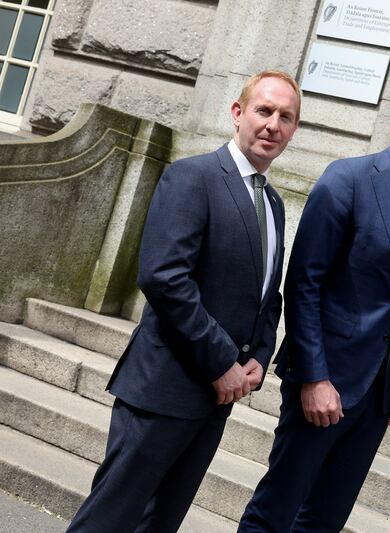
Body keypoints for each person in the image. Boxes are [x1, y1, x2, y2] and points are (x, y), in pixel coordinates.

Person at [66, 70, 300, 533]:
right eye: (264, 111)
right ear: (238, 113)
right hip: (164, 388)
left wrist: (258, 354)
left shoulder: (272, 203)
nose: (273, 125)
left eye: (286, 117)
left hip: (216, 399)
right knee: (108, 521)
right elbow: (164, 279)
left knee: (160, 524)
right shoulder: (193, 177)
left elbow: (267, 292)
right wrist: (222, 362)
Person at [239, 80, 390, 532]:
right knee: (276, 512)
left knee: (325, 520)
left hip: (379, 394)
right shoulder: (347, 179)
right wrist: (314, 377)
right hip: (325, 380)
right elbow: (304, 284)